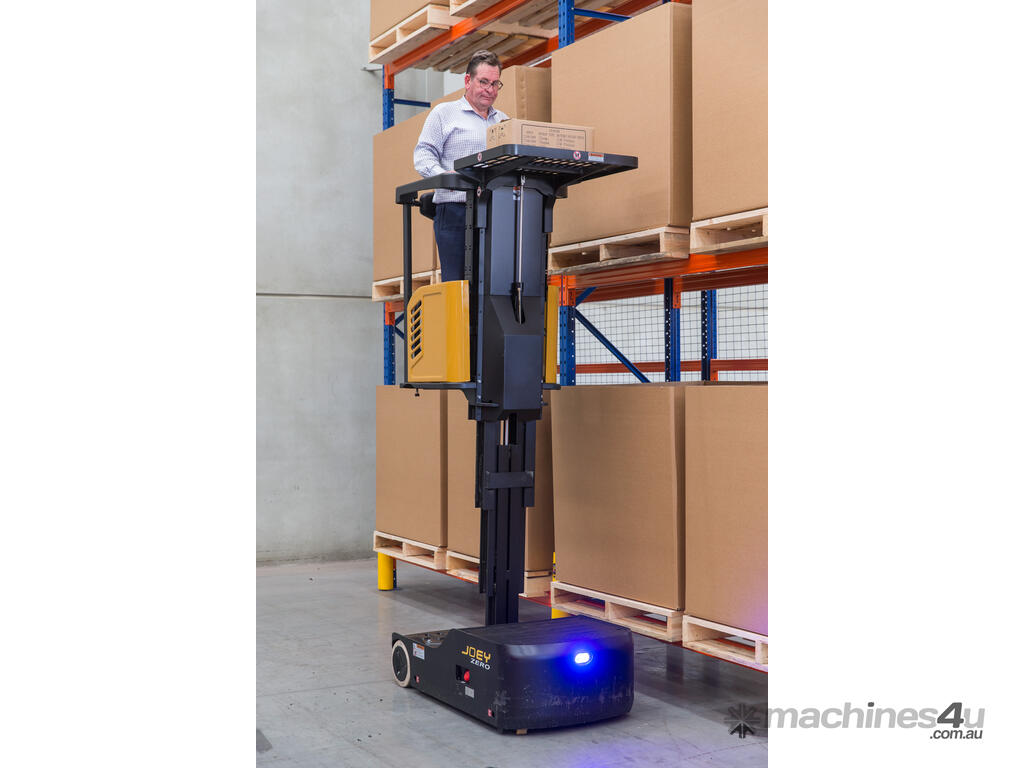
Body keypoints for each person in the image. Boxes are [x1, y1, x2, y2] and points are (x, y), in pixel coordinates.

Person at [414, 50, 508, 282]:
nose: (490, 89)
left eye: (495, 84)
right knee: (458, 285)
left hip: (495, 212)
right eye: (483, 82)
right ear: (468, 81)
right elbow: (423, 155)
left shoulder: (503, 121)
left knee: (493, 284)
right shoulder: (445, 113)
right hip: (455, 211)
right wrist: (445, 177)